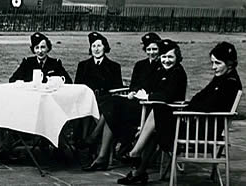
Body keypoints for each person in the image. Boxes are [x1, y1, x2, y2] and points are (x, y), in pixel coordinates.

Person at [83, 32, 161, 171]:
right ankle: (101, 156)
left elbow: (163, 90)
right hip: (136, 103)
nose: (151, 52)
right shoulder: (140, 65)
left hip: (149, 110)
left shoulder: (163, 66)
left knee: (112, 108)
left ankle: (95, 141)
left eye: (154, 49)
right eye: (148, 49)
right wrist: (133, 91)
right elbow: (134, 84)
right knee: (112, 107)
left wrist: (147, 95)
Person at [117, 39, 189, 185]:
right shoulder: (161, 71)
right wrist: (146, 94)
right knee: (153, 131)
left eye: (170, 57)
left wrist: (149, 96)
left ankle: (134, 151)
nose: (166, 60)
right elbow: (153, 89)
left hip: (174, 119)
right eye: (163, 57)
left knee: (158, 110)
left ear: (177, 58)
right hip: (161, 120)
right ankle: (139, 172)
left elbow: (167, 96)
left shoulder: (178, 73)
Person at [74, 32, 123, 151]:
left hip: (104, 100)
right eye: (94, 46)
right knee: (85, 110)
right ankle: (84, 142)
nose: (96, 49)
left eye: (99, 46)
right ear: (90, 48)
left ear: (105, 47)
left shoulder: (113, 66)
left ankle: (91, 139)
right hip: (86, 100)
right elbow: (77, 86)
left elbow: (118, 87)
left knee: (104, 109)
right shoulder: (83, 65)